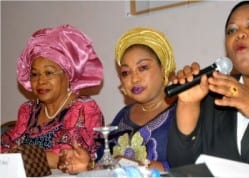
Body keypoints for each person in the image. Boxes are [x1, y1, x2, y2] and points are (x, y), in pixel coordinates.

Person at [167, 0, 249, 169]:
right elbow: (181, 165)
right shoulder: (216, 92)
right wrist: (188, 104)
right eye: (232, 30)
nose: (240, 34)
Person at [57, 27, 177, 174]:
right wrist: (88, 163)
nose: (134, 78)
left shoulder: (182, 111)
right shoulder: (124, 115)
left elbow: (191, 165)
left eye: (143, 67)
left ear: (164, 70)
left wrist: (136, 166)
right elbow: (105, 163)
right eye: (126, 73)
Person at [1, 24, 105, 170]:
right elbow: (8, 146)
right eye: (35, 74)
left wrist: (17, 157)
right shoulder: (28, 110)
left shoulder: (83, 108)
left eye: (49, 73)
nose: (41, 81)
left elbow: (66, 157)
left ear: (67, 74)